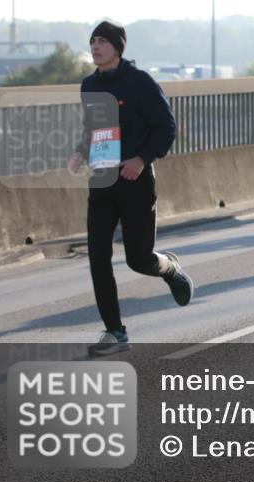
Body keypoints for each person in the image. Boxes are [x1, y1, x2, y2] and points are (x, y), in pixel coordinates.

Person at [67, 21, 193, 356]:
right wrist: (80, 152)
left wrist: (142, 158)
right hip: (101, 181)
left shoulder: (140, 83)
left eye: (102, 41)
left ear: (118, 47)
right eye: (93, 41)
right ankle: (115, 332)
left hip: (136, 182)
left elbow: (166, 127)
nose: (95, 47)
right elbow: (93, 129)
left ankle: (169, 267)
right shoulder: (89, 85)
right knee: (97, 256)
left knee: (138, 259)